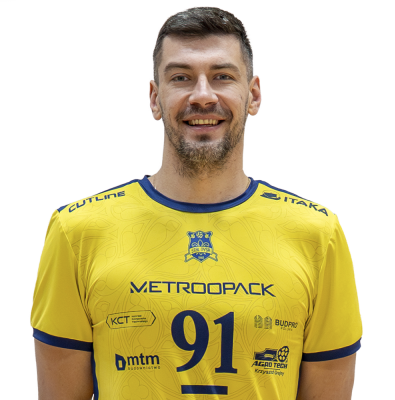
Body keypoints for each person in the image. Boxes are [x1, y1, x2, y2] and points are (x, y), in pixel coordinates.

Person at [30, 6, 363, 400]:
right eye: (181, 78)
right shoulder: (77, 231)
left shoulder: (318, 234)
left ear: (253, 94)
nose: (203, 96)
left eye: (222, 76)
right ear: (155, 98)